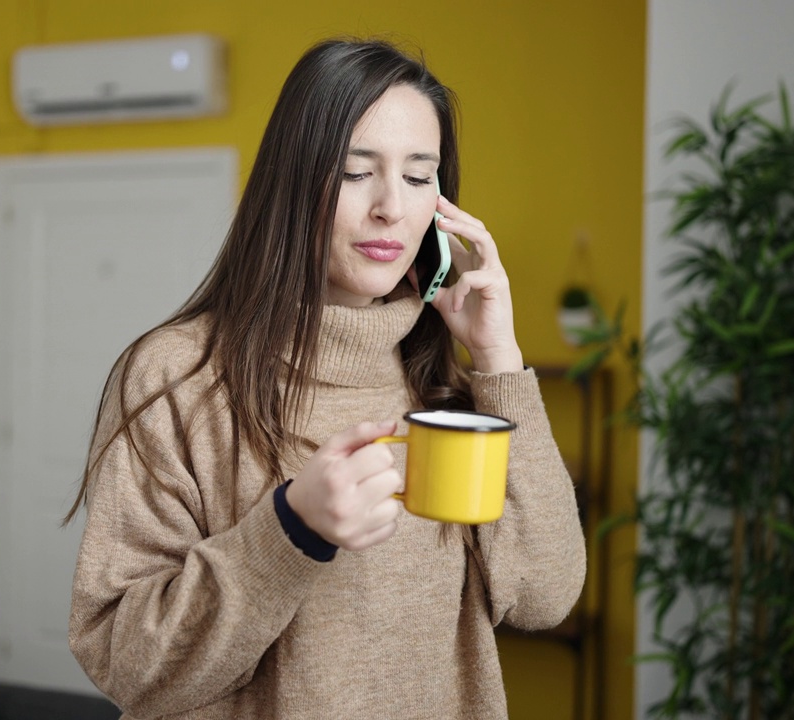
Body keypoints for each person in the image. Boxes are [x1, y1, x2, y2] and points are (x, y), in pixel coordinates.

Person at [65, 38, 586, 719]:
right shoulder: (176, 375)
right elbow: (122, 660)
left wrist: (501, 362)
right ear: (293, 181)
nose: (390, 209)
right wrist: (290, 530)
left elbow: (545, 597)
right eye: (353, 171)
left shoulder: (442, 386)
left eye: (419, 175)